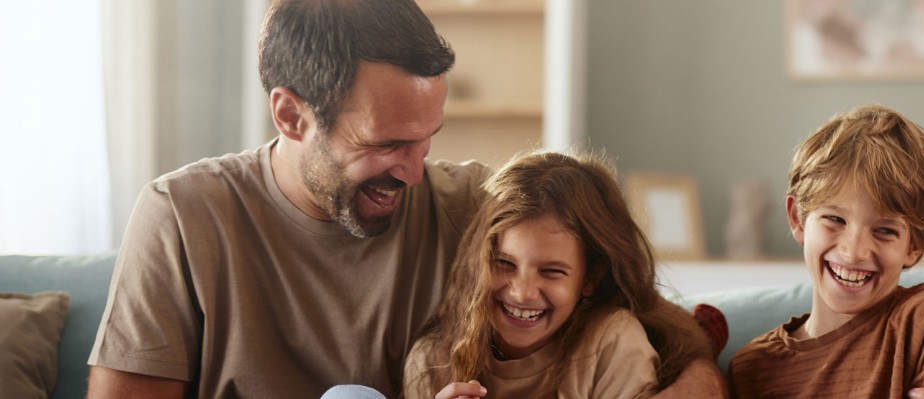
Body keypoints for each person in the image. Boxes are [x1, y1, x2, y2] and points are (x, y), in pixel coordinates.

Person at [86, 0, 719, 397]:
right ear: (291, 114)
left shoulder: (474, 208)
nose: (415, 173)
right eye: (387, 144)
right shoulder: (183, 216)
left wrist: (695, 385)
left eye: (427, 140)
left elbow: (659, 324)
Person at [727, 104, 924, 398]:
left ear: (913, 246)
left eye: (885, 230)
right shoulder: (750, 368)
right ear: (797, 218)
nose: (853, 252)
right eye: (834, 219)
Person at [402, 151, 708, 398]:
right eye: (504, 264)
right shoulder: (431, 360)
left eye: (551, 272)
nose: (522, 292)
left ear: (589, 279)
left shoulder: (610, 342)